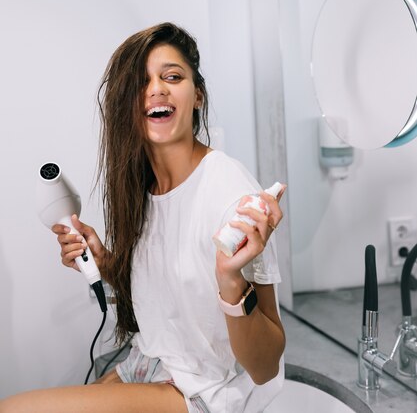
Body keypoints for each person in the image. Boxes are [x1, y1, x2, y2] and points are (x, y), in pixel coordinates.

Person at [0, 22, 286, 413]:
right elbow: (173, 302)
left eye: (172, 76)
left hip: (206, 392)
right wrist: (108, 265)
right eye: (141, 81)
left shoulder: (230, 194)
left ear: (197, 95)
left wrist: (231, 279)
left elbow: (266, 366)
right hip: (147, 365)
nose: (157, 88)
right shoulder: (144, 189)